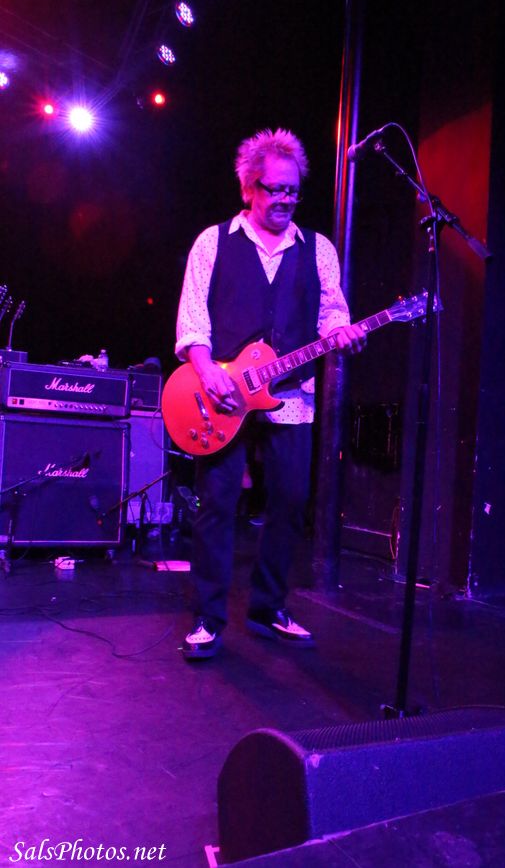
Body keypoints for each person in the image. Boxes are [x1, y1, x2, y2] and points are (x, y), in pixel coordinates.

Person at [175, 128, 366, 659]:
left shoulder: (318, 250)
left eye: (292, 191)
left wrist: (342, 334)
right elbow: (192, 322)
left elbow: (333, 315)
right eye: (274, 188)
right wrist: (208, 371)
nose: (284, 198)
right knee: (217, 504)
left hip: (291, 396)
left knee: (289, 502)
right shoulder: (213, 242)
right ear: (248, 188)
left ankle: (268, 608)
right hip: (222, 395)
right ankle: (209, 617)